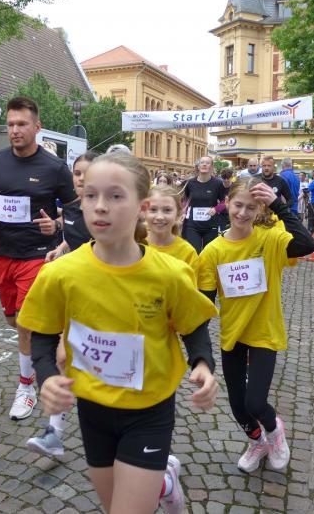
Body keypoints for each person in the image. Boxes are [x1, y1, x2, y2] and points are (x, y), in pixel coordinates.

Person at [18, 151, 219, 514]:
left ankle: (158, 482)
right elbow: (43, 334)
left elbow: (193, 326)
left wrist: (203, 364)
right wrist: (46, 377)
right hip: (93, 410)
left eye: (115, 196)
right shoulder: (60, 273)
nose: (100, 206)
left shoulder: (169, 274)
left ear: (142, 207)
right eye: (91, 195)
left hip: (149, 410)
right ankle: (164, 484)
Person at [197, 177, 314, 475]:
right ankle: (257, 442)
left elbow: (307, 243)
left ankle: (274, 433)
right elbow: (204, 303)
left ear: (260, 209)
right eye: (238, 205)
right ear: (227, 203)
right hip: (233, 335)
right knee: (239, 407)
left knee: (255, 402)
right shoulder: (212, 251)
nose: (242, 213)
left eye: (251, 208)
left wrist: (279, 205)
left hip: (264, 331)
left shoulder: (270, 239)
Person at [0, 97, 76, 421]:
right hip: (3, 252)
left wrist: (56, 224)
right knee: (12, 320)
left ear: (37, 126)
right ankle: (53, 339)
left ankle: (26, 387)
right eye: (11, 124)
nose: (15, 130)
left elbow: (74, 209)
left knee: (25, 323)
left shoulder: (54, 167)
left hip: (37, 255)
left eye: (22, 124)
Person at [25, 150, 97, 457]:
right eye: (77, 173)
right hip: (74, 288)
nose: (80, 178)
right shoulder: (70, 207)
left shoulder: (104, 209)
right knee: (63, 356)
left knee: (80, 358)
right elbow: (75, 236)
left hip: (101, 291)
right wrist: (61, 247)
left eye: (87, 173)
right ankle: (54, 432)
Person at [146, 185, 198, 271]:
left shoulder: (188, 253)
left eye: (167, 210)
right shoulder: (135, 246)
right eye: (153, 209)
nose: (160, 217)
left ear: (178, 214)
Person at [182, 156, 227, 254]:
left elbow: (225, 201)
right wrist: (183, 212)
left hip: (211, 226)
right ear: (198, 166)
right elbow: (185, 200)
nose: (204, 164)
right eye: (202, 162)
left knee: (208, 254)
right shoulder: (190, 183)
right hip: (192, 225)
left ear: (211, 167)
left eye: (207, 163)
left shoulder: (218, 183)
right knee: (194, 252)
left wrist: (216, 209)